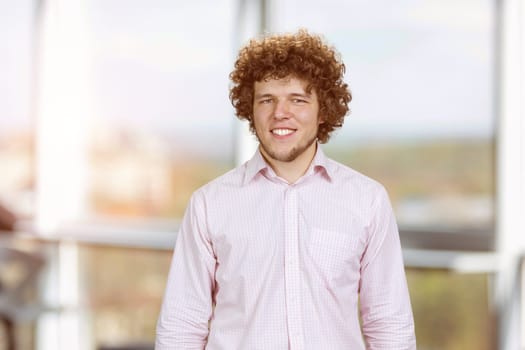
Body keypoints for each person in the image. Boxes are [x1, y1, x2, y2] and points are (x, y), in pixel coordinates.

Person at [156, 29, 416, 350]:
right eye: (267, 100)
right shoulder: (209, 204)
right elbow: (183, 323)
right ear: (250, 109)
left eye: (298, 99)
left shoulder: (367, 201)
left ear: (324, 110)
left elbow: (387, 321)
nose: (281, 113)